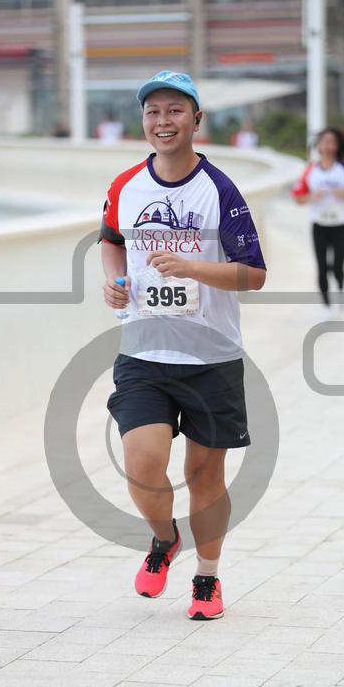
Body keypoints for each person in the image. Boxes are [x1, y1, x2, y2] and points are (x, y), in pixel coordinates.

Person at [99, 70, 266, 621]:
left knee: (203, 476)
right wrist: (114, 280)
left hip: (211, 357)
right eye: (153, 112)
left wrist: (192, 268)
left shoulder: (219, 190)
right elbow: (111, 240)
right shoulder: (126, 186)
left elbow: (254, 275)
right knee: (142, 465)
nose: (163, 121)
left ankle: (207, 578)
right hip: (143, 352)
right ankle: (165, 538)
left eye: (175, 111)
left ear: (196, 119)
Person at [292, 127, 344, 318]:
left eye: (332, 142)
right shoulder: (310, 170)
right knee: (321, 266)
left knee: (338, 265)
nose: (328, 145)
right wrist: (311, 197)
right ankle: (326, 305)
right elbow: (297, 198)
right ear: (319, 145)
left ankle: (340, 291)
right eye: (324, 141)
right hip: (319, 225)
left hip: (341, 224)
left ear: (337, 146)